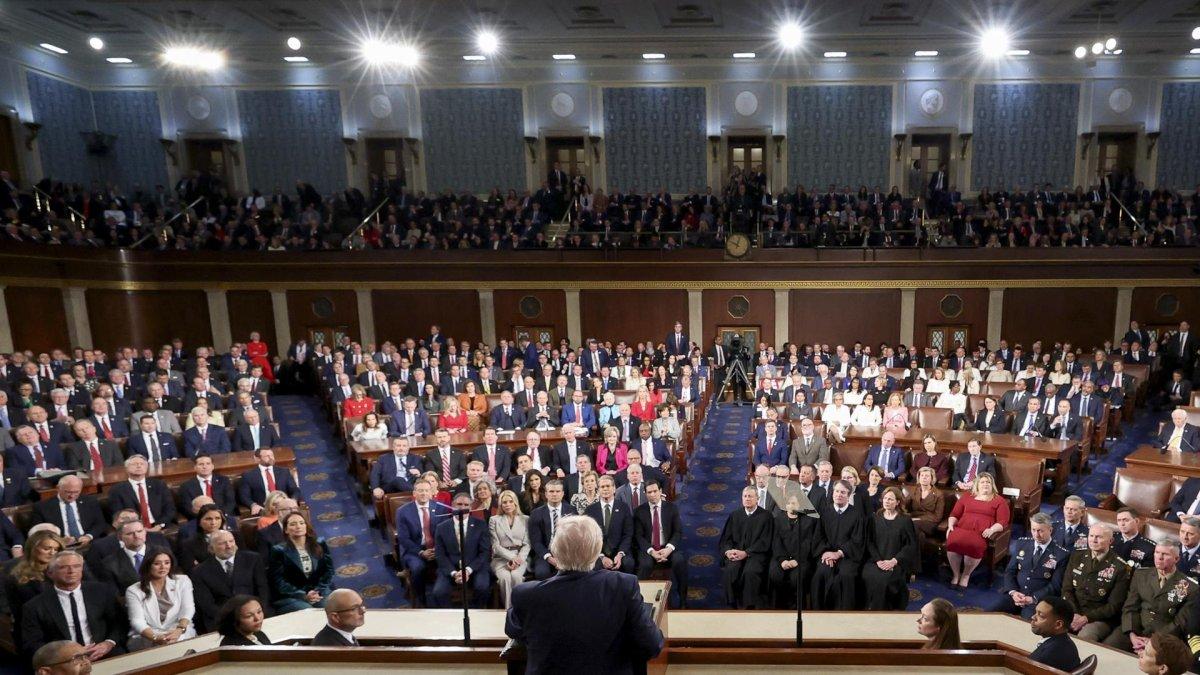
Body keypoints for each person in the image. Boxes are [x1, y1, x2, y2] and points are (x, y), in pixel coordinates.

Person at [505, 515, 664, 673]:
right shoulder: (623, 586)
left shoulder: (525, 595)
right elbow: (652, 645)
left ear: (555, 550)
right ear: (597, 550)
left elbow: (513, 631)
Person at [21, 550, 125, 661]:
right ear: (50, 573)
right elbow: (32, 643)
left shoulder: (102, 591)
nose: (71, 571)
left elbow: (119, 623)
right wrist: (66, 654)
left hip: (104, 653)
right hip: (64, 661)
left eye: (76, 566)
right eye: (63, 567)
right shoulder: (34, 606)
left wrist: (108, 643)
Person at [1105, 540, 1197, 652]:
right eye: (1157, 552)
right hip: (1135, 630)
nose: (1159, 557)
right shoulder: (1141, 575)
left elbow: (1180, 623)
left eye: (1165, 554)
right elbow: (1130, 607)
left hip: (1164, 637)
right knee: (1108, 647)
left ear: (1176, 559)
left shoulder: (1190, 587)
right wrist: (1132, 635)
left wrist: (1153, 640)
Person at [189, 530, 271, 634]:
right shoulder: (199, 571)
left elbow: (262, 589)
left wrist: (258, 612)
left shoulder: (253, 559)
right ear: (211, 548)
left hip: (255, 613)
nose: (229, 546)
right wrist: (232, 618)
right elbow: (207, 605)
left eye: (231, 541)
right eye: (222, 543)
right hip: (222, 619)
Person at [1062, 523, 1131, 642]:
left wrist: (1086, 618)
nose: (1094, 540)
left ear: (1111, 540)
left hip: (1100, 618)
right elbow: (1066, 589)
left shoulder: (1121, 567)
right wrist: (1074, 613)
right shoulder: (1076, 556)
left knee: (1085, 637)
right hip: (1073, 611)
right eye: (1091, 535)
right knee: (1050, 625)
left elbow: (1114, 606)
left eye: (1099, 537)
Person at [998, 512, 1070, 619]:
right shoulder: (1022, 544)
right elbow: (1010, 571)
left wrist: (1033, 598)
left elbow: (1055, 586)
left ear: (1050, 530)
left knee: (1028, 626)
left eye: (1040, 531)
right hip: (1016, 595)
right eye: (1033, 530)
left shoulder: (1061, 554)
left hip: (1037, 601)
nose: (1036, 535)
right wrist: (1013, 592)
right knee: (990, 614)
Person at [945, 472, 1010, 589]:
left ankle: (965, 575)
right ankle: (955, 574)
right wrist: (950, 525)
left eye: (988, 482)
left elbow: (1003, 522)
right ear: (977, 485)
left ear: (992, 485)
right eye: (982, 482)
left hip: (981, 533)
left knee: (973, 546)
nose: (985, 484)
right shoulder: (967, 496)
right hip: (962, 528)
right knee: (952, 543)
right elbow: (954, 514)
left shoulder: (1000, 501)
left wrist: (991, 529)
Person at [124, 547, 196, 652]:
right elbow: (137, 621)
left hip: (179, 630)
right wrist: (155, 637)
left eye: (167, 563)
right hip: (148, 635)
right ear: (148, 565)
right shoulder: (133, 590)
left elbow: (188, 609)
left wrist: (180, 630)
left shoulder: (183, 581)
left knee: (179, 644)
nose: (163, 567)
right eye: (157, 563)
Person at [812, 480, 866, 610]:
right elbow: (819, 536)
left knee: (845, 576)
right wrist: (825, 552)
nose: (839, 495)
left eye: (843, 492)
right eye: (836, 491)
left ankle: (844, 614)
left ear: (849, 495)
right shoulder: (825, 512)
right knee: (821, 573)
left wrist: (839, 553)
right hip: (827, 554)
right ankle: (819, 612)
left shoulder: (857, 514)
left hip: (848, 556)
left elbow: (857, 540)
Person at [634, 480, 688, 608]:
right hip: (649, 550)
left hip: (668, 548)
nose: (652, 495)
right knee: (645, 564)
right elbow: (638, 536)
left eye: (655, 491)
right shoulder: (639, 511)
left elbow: (678, 532)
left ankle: (683, 600)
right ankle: (637, 601)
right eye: (649, 492)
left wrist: (668, 549)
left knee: (680, 561)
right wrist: (652, 551)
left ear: (660, 491)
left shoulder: (671, 508)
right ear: (645, 494)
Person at [863, 487, 918, 610]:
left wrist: (894, 561)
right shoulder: (874, 518)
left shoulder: (905, 520)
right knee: (866, 575)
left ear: (898, 502)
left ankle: (882, 612)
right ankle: (867, 608)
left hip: (896, 562)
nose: (887, 501)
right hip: (876, 560)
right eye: (885, 498)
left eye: (891, 499)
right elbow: (869, 542)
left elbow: (910, 545)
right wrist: (878, 560)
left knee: (884, 580)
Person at [268, 512, 335, 613]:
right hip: (293, 596)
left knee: (331, 607)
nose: (298, 526)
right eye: (293, 524)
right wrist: (303, 595)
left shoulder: (320, 543)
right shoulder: (278, 550)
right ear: (286, 530)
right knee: (309, 612)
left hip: (319, 592)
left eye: (301, 523)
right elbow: (279, 581)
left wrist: (318, 591)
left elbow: (329, 571)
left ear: (306, 526)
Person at [719, 485, 773, 609]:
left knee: (750, 572)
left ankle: (749, 606)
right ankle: (732, 604)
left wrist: (747, 553)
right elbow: (726, 538)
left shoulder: (766, 516)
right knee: (731, 570)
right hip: (736, 553)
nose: (747, 499)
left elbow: (765, 541)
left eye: (750, 496)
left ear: (757, 499)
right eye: (745, 496)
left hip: (756, 555)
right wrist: (728, 551)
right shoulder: (735, 515)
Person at [769, 492, 824, 610]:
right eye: (788, 503)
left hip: (802, 559)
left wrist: (797, 560)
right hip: (781, 558)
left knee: (796, 578)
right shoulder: (778, 519)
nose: (790, 506)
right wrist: (783, 560)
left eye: (793, 503)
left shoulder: (810, 520)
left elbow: (808, 543)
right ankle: (779, 608)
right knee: (775, 575)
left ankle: (796, 607)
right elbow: (776, 542)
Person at [490, 490, 529, 608]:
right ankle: (508, 610)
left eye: (510, 501)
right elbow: (495, 546)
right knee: (505, 578)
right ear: (500, 505)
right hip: (500, 558)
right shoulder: (494, 520)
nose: (507, 505)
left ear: (515, 503)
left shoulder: (526, 519)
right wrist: (512, 558)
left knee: (516, 576)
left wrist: (518, 559)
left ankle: (518, 608)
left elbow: (527, 544)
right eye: (504, 502)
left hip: (520, 558)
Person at [1028, 597, 1082, 672]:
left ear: (1058, 625)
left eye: (1041, 615)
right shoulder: (1065, 642)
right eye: (1036, 612)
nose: (1033, 617)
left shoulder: (1046, 656)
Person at [529, 479, 568, 579]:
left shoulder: (571, 511)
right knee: (542, 573)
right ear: (546, 494)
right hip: (544, 554)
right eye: (551, 491)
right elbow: (536, 542)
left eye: (558, 491)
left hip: (566, 553)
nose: (554, 494)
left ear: (563, 493)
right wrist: (549, 557)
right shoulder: (536, 513)